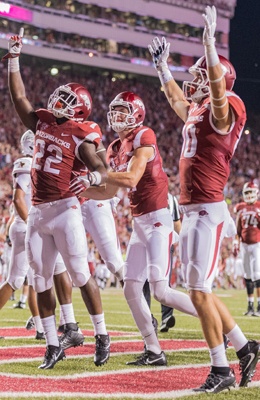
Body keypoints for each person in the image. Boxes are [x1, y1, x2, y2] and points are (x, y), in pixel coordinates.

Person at [147, 4, 259, 392]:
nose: (192, 81)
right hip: (193, 208)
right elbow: (180, 102)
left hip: (208, 210)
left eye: (200, 75)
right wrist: (163, 71)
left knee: (199, 291)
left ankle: (221, 369)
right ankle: (245, 348)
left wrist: (210, 43)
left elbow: (214, 91)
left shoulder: (225, 109)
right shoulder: (198, 110)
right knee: (200, 291)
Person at [4, 28, 110, 369]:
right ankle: (52, 343)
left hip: (65, 209)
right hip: (38, 212)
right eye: (59, 97)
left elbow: (99, 165)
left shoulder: (82, 132)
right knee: (40, 279)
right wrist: (15, 61)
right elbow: (19, 100)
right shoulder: (44, 124)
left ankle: (101, 334)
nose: (57, 103)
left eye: (66, 101)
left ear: (79, 110)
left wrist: (94, 176)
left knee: (80, 273)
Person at [70, 90, 199, 367]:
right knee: (130, 289)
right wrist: (80, 190)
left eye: (122, 111)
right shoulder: (116, 148)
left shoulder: (144, 135)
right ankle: (153, 350)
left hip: (157, 219)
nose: (116, 116)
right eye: (114, 110)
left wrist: (97, 174)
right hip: (140, 224)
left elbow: (132, 178)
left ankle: (216, 323)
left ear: (137, 113)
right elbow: (108, 191)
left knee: (161, 291)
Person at [143, 191, 181, 333]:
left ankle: (148, 319)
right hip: (166, 242)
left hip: (149, 241)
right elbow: (176, 223)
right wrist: (180, 242)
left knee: (146, 283)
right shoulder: (172, 198)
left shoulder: (146, 192)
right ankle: (166, 316)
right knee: (163, 281)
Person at [234, 181, 260, 316]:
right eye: (247, 192)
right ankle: (250, 305)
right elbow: (239, 227)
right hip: (244, 245)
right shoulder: (241, 207)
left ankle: (259, 305)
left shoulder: (259, 206)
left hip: (257, 244)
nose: (249, 195)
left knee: (257, 274)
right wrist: (236, 241)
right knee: (247, 275)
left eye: (251, 192)